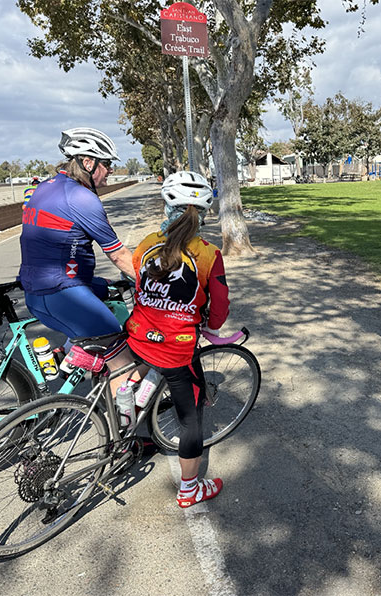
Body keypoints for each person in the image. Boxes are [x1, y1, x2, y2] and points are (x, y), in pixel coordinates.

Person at [125, 171, 229, 508]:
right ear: (202, 213)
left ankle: (125, 414)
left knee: (140, 369)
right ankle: (189, 489)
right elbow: (220, 306)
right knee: (190, 419)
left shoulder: (146, 244)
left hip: (140, 336)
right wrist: (211, 326)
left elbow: (139, 288)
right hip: (177, 347)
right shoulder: (208, 254)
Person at [18, 127, 136, 391]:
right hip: (62, 293)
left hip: (38, 291)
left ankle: (68, 360)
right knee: (124, 361)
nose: (111, 170)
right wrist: (153, 286)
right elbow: (118, 255)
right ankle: (123, 429)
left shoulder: (43, 188)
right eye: (107, 164)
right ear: (88, 162)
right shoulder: (82, 198)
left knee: (111, 291)